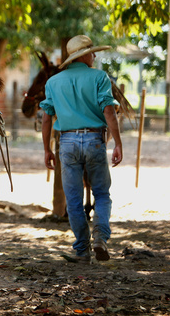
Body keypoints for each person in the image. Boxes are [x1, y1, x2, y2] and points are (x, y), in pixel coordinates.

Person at [39, 35, 123, 263]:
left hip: (66, 143)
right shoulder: (99, 77)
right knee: (102, 194)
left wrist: (46, 149)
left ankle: (82, 250)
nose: (95, 55)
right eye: (92, 52)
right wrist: (117, 142)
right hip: (95, 140)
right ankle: (100, 237)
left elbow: (46, 119)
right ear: (84, 55)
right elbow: (108, 111)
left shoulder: (54, 82)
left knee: (73, 199)